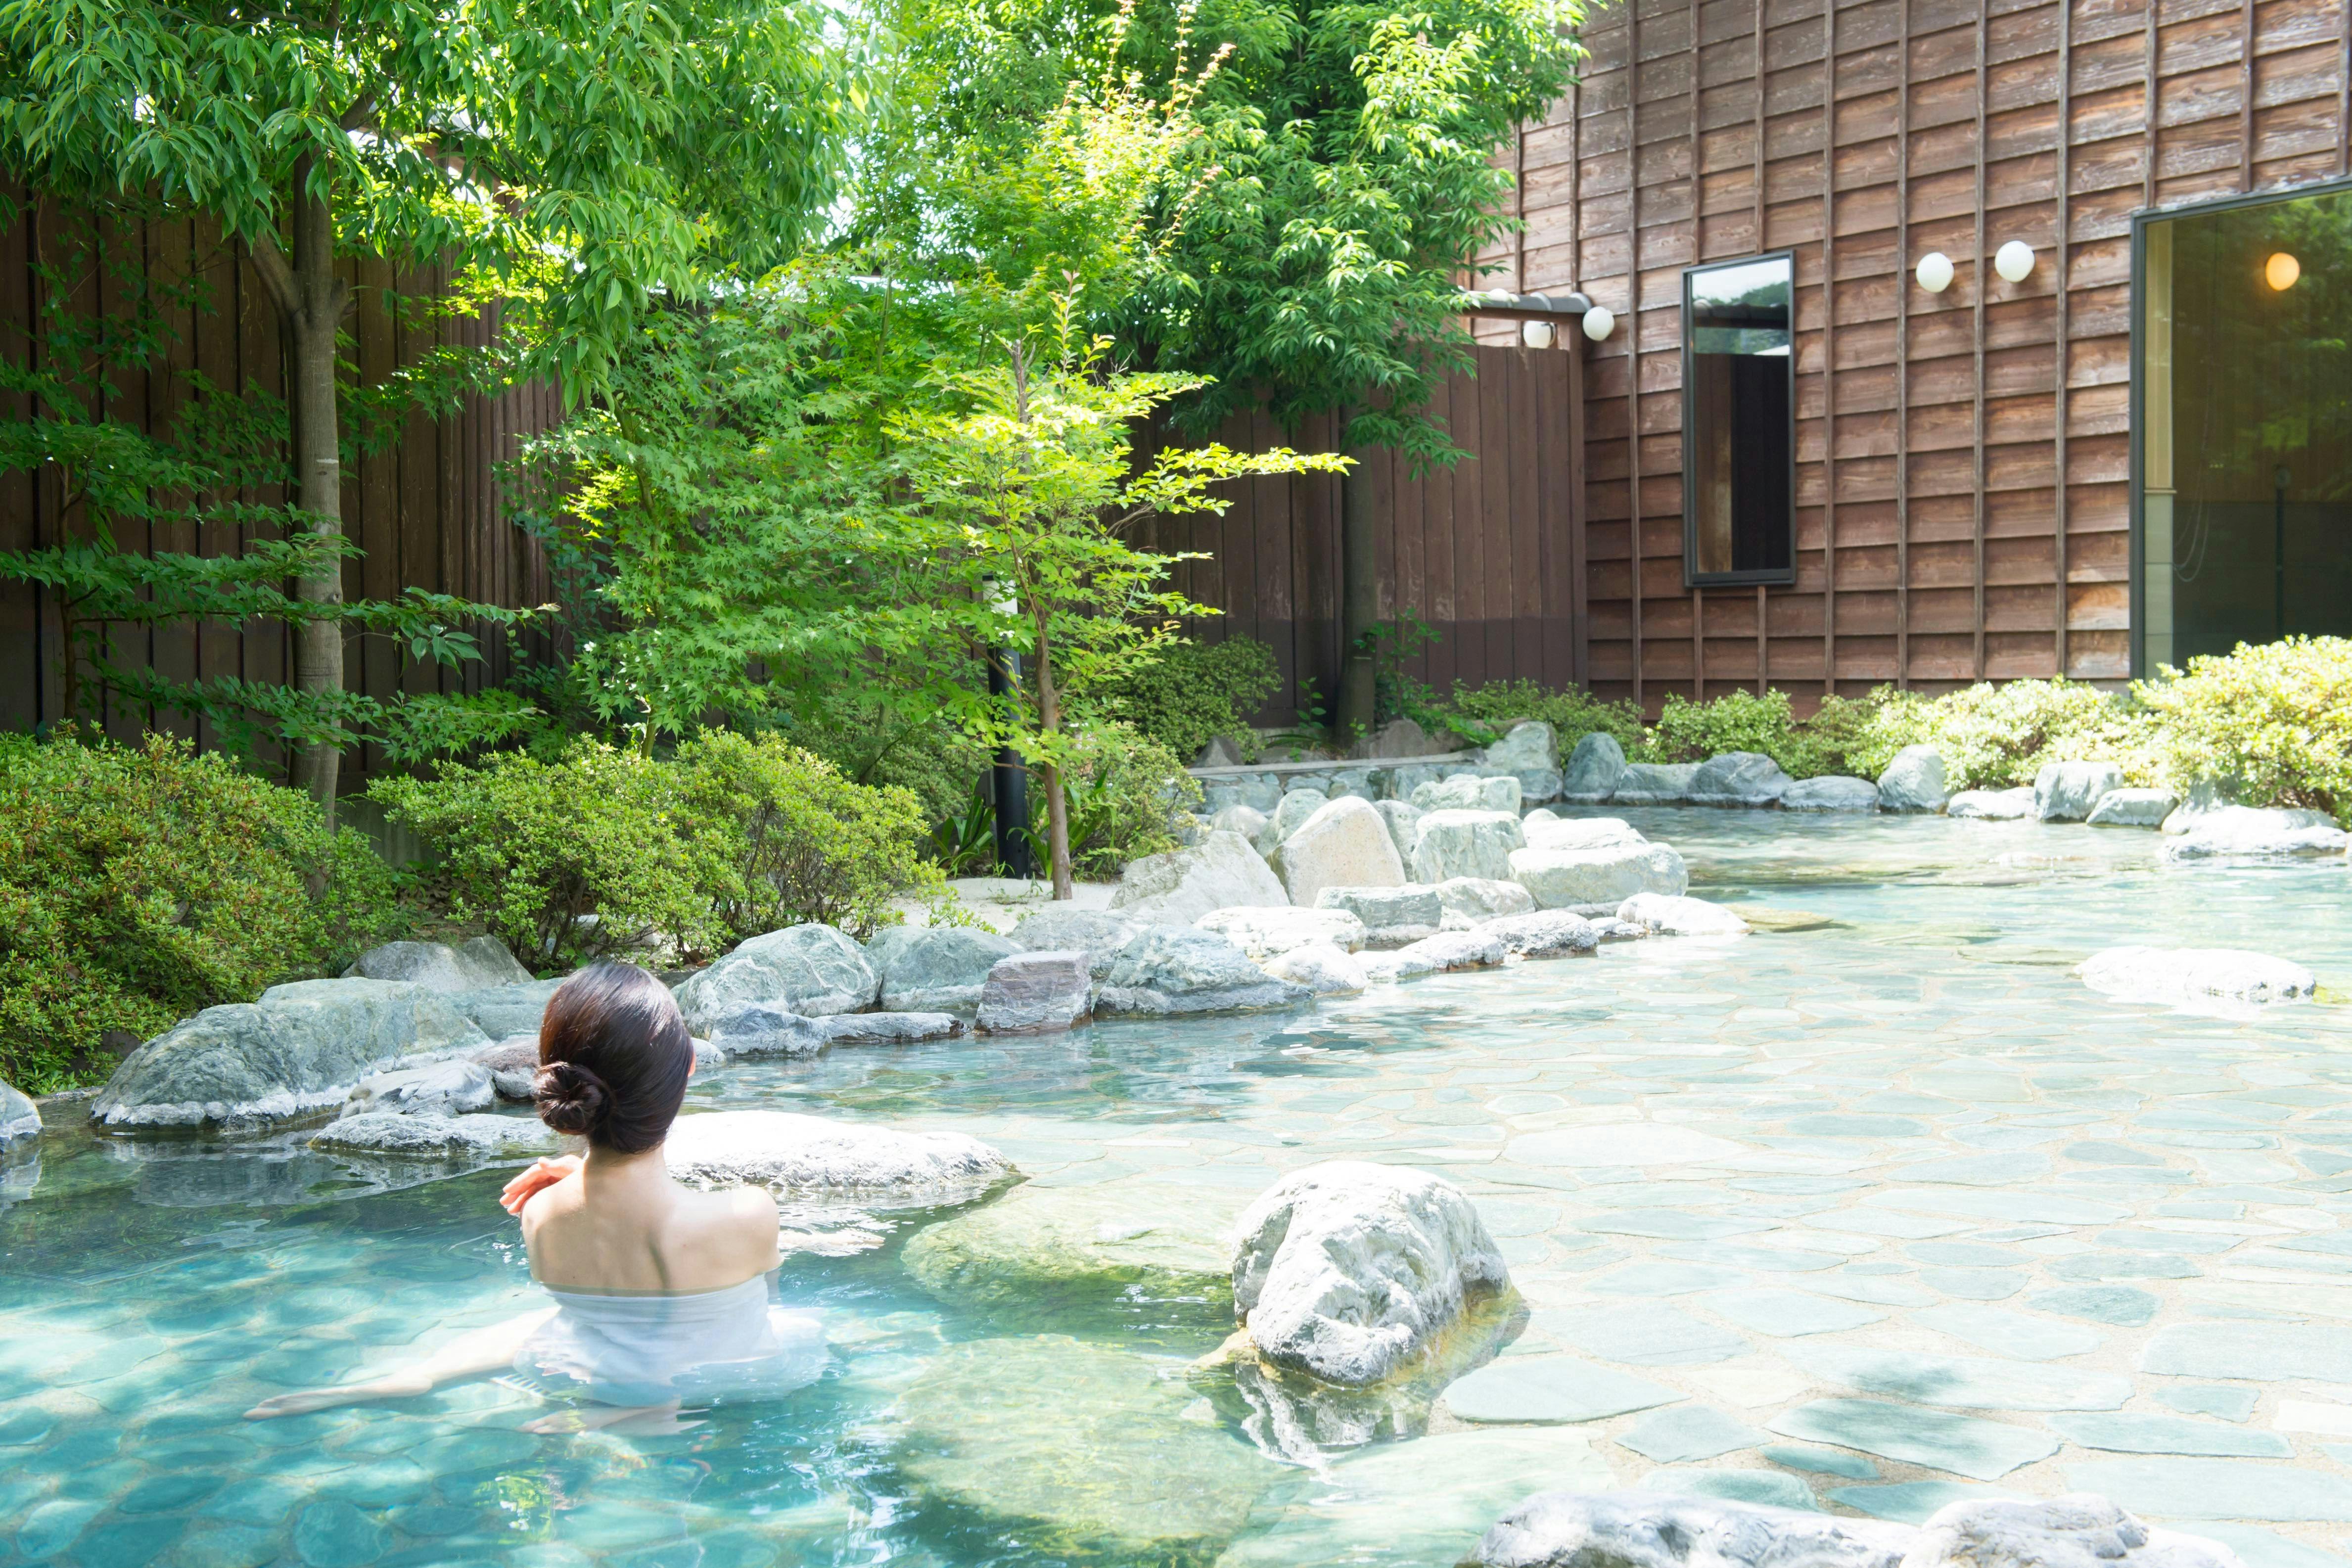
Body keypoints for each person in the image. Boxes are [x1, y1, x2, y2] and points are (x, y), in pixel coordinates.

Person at [247, 961, 823, 1431]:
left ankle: (423, 1373)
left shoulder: (540, 1214)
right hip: (721, 1378)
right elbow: (763, 1304)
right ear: (689, 1069)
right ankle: (647, 1411)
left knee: (554, 1327)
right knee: (783, 1327)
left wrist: (576, 1175)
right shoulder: (751, 1213)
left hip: (592, 1366)